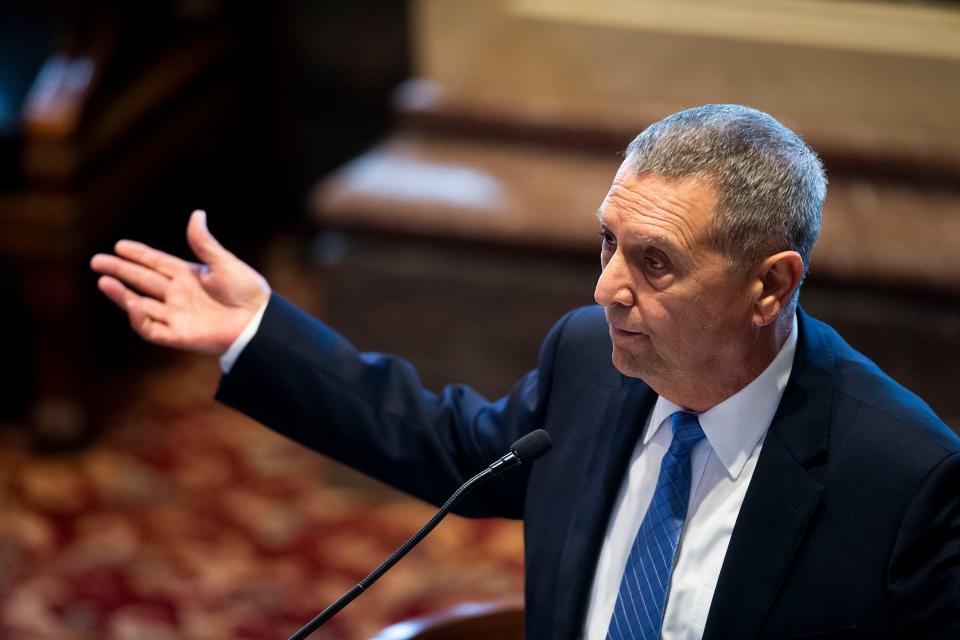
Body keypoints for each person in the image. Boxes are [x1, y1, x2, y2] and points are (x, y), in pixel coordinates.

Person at [91, 105, 960, 639]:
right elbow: (443, 442)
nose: (606, 289)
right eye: (607, 243)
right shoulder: (590, 358)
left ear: (770, 286)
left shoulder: (904, 479)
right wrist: (258, 331)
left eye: (655, 263)